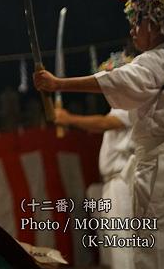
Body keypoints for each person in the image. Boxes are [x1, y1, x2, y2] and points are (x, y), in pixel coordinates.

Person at [35, 0, 164, 269]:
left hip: (161, 167)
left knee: (158, 247)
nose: (132, 28)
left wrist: (59, 84)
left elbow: (119, 80)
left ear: (156, 24)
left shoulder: (157, 60)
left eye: (138, 20)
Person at [54, 51, 135, 269]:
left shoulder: (132, 102)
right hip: (113, 183)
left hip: (125, 183)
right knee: (113, 248)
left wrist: (68, 118)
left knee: (124, 244)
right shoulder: (118, 105)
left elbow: (104, 124)